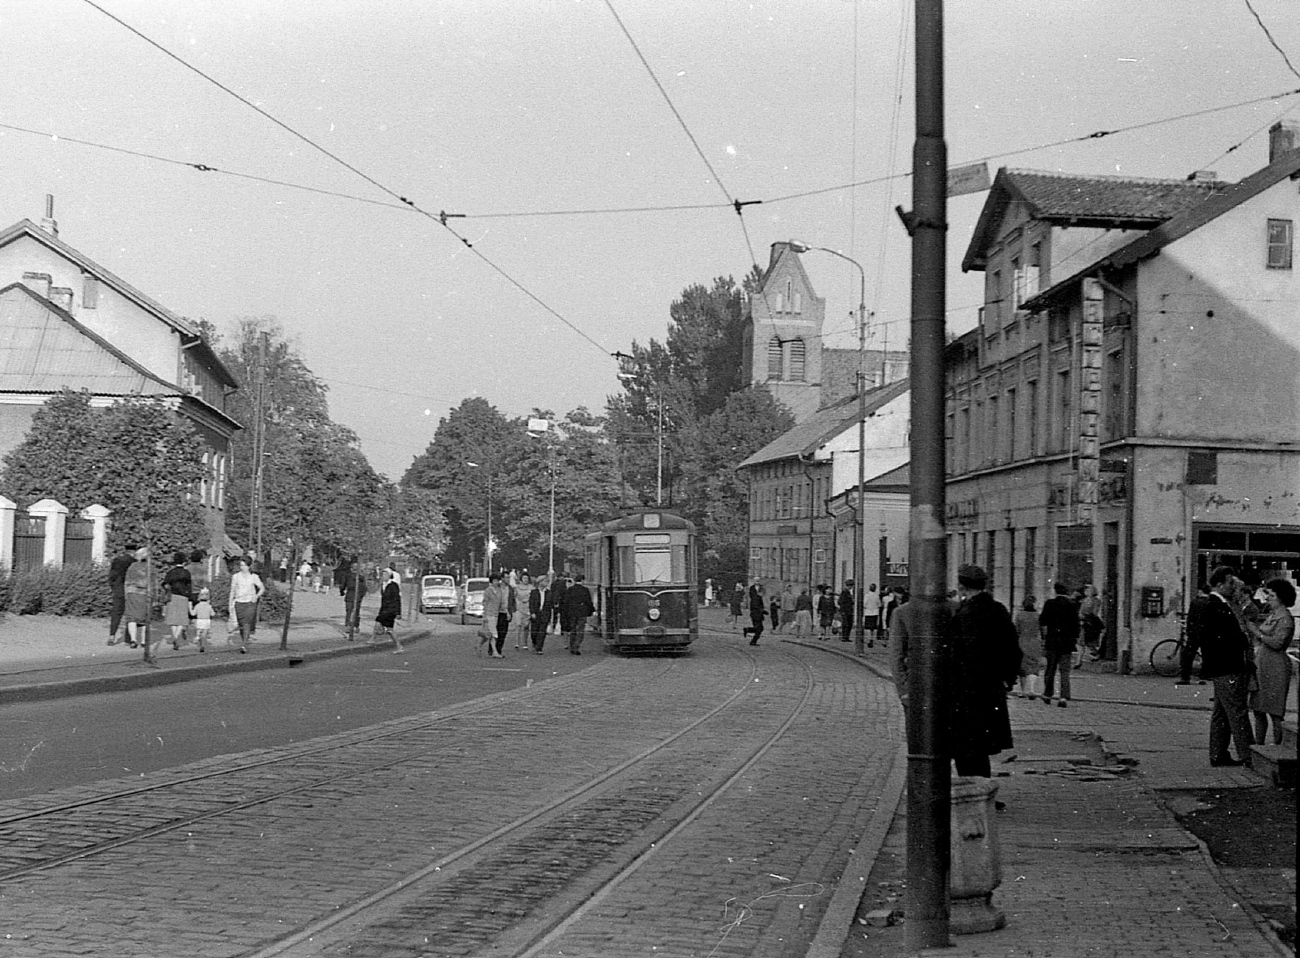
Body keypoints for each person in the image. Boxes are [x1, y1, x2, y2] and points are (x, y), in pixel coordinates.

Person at [948, 564, 1020, 777]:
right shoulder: (998, 609)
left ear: (962, 587)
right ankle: (983, 791)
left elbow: (965, 654)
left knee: (965, 746)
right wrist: (1008, 678)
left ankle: (974, 796)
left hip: (966, 691)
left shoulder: (967, 613)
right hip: (991, 689)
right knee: (980, 747)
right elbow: (1013, 648)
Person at [1185, 565, 1256, 767]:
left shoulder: (1220, 604)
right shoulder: (1215, 606)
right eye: (1230, 582)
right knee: (1237, 711)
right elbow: (1220, 638)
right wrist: (1241, 639)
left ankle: (1218, 753)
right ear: (1219, 584)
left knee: (1222, 711)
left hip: (1222, 666)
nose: (1232, 586)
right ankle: (1248, 754)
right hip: (1228, 665)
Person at [1244, 578, 1295, 747]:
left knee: (1274, 711)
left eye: (1271, 595)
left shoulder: (1285, 618)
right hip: (1263, 665)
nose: (1268, 599)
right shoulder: (1273, 616)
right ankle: (1259, 746)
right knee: (1259, 710)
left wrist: (1257, 634)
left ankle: (1277, 747)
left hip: (1276, 667)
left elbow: (1278, 643)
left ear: (1281, 597)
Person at [1039, 582, 1079, 707]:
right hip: (1066, 643)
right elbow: (1076, 625)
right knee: (1065, 671)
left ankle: (1047, 693)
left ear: (1055, 591)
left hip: (1052, 642)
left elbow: (1042, 620)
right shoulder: (1072, 605)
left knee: (1050, 670)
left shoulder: (1049, 604)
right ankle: (1063, 697)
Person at [228, 557, 265, 653]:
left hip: (250, 603)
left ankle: (244, 644)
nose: (243, 567)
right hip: (239, 602)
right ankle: (244, 640)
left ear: (249, 566)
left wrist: (256, 596)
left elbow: (261, 588)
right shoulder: (235, 576)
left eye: (245, 565)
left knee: (246, 623)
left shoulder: (254, 577)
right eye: (241, 565)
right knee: (241, 624)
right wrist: (230, 603)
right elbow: (232, 590)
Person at [106, 542, 138, 646]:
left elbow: (111, 576)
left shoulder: (117, 560)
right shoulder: (135, 563)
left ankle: (112, 635)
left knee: (116, 613)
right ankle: (128, 638)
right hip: (131, 590)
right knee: (130, 614)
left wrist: (114, 587)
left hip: (118, 589)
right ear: (134, 551)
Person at [123, 546, 152, 658]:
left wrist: (126, 593)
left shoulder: (132, 567)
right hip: (145, 594)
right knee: (145, 618)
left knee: (132, 617)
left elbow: (127, 581)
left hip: (132, 592)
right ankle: (144, 641)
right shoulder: (150, 568)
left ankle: (133, 640)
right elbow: (153, 583)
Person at [1014, 595, 1044, 700]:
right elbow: (1042, 630)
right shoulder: (1038, 616)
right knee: (1034, 666)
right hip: (1035, 642)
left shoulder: (1019, 615)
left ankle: (1023, 691)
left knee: (1022, 667)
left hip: (1022, 641)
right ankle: (1031, 690)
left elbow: (1016, 630)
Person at [161, 551, 193, 651]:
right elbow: (189, 586)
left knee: (173, 620)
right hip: (183, 597)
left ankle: (174, 637)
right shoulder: (186, 573)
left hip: (172, 597)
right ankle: (176, 638)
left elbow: (165, 584)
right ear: (183, 562)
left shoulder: (170, 572)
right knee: (181, 620)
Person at [561, 574, 595, 655]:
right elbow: (588, 601)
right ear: (582, 580)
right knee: (580, 629)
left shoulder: (570, 589)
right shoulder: (585, 590)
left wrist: (566, 612)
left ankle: (571, 646)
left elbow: (566, 601)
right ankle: (576, 646)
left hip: (572, 612)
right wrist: (591, 611)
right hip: (582, 612)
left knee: (573, 629)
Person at [481, 573, 512, 658]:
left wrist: (507, 613)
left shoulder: (499, 590)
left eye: (497, 580)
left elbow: (502, 603)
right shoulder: (488, 591)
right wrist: (484, 616)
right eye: (494, 580)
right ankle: (495, 651)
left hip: (497, 614)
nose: (496, 582)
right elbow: (485, 603)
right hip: (490, 614)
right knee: (494, 634)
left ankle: (479, 645)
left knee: (490, 634)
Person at [373, 569, 404, 652]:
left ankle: (374, 638)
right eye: (382, 575)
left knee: (380, 623)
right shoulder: (383, 585)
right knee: (388, 628)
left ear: (389, 575)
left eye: (385, 575)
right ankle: (398, 646)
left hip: (391, 610)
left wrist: (398, 612)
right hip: (385, 609)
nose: (383, 576)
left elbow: (397, 599)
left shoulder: (393, 585)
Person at [339, 556, 367, 639]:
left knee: (349, 611)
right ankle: (356, 626)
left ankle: (348, 626)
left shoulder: (348, 576)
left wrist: (342, 592)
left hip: (350, 596)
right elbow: (364, 588)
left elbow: (343, 585)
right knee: (356, 611)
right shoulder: (361, 577)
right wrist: (362, 595)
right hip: (358, 597)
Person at [1079, 584, 1104, 660]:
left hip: (1091, 622)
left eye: (1088, 590)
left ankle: (1097, 654)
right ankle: (1081, 659)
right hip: (1084, 621)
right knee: (1083, 641)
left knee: (1090, 641)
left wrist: (1087, 616)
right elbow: (1081, 611)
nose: (1086, 591)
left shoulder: (1096, 601)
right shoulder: (1085, 600)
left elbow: (1095, 613)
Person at [511, 573, 533, 651]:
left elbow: (533, 597)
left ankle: (525, 643)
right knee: (518, 625)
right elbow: (514, 597)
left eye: (527, 578)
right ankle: (517, 643)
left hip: (527, 608)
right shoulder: (517, 588)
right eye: (524, 578)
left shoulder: (531, 587)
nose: (525, 580)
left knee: (526, 626)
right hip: (519, 608)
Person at [190, 588, 215, 653]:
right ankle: (203, 644)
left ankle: (198, 637)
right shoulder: (209, 606)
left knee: (199, 631)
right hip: (206, 620)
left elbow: (193, 613)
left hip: (199, 620)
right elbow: (213, 614)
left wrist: (190, 608)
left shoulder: (197, 606)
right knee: (204, 634)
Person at [529, 576, 548, 654]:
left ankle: (539, 648)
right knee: (534, 631)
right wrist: (532, 612)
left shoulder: (549, 592)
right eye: (545, 581)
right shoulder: (534, 592)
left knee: (542, 631)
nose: (546, 583)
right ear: (540, 582)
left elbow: (550, 604)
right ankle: (534, 643)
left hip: (545, 614)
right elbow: (531, 603)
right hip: (536, 614)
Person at [863, 583, 882, 647]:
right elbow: (879, 604)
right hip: (875, 613)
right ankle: (872, 639)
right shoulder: (876, 596)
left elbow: (864, 604)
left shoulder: (867, 595)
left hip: (868, 613)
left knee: (868, 627)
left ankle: (869, 639)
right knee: (873, 627)